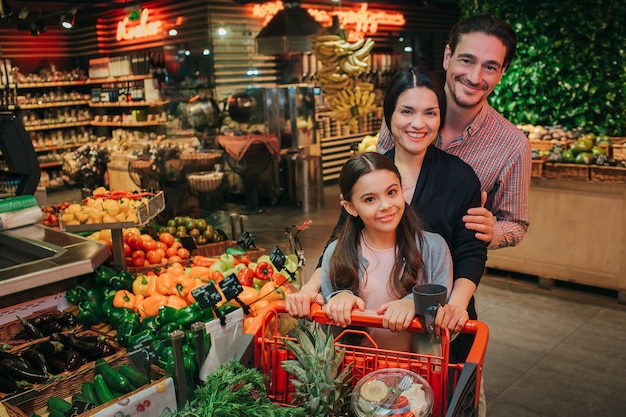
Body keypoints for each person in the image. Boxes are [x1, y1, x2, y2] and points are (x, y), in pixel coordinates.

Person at [287, 66, 486, 347]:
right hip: (365, 335)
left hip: (437, 322)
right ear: (389, 115)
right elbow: (341, 240)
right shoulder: (371, 172)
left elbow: (470, 250)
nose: (418, 123)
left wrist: (454, 305)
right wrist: (312, 290)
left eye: (430, 112)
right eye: (406, 111)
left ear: (440, 118)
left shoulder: (460, 178)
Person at [378, 13, 531, 250]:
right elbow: (378, 174)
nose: (474, 77)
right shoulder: (402, 117)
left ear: (502, 72)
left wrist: (492, 231)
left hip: (449, 276)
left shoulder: (512, 145)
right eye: (467, 60)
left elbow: (516, 223)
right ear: (448, 56)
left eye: (489, 66)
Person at [320, 151, 453, 353]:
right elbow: (330, 331)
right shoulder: (335, 254)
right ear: (350, 206)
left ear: (402, 191)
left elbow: (447, 317)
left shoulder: (433, 248)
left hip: (416, 377)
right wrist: (339, 300)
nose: (385, 206)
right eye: (370, 199)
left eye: (392, 192)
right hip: (356, 373)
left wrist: (413, 305)